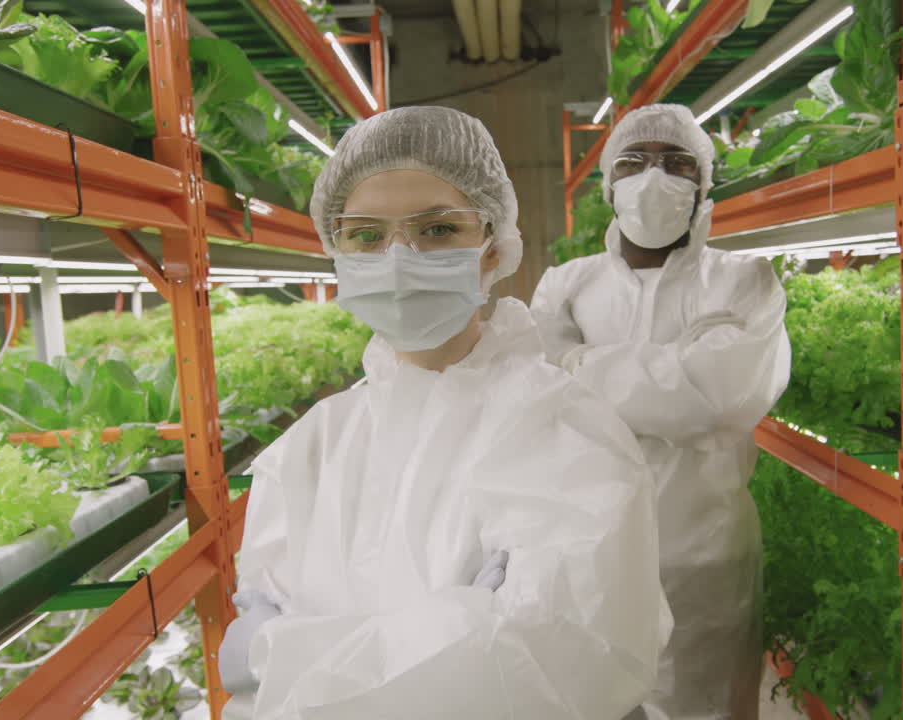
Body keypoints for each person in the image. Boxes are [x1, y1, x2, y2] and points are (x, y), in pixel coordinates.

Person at [219, 106, 670, 720]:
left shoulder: (566, 431)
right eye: (367, 236)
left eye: (435, 230)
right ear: (339, 253)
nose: (398, 259)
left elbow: (564, 669)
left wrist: (285, 653)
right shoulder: (310, 451)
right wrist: (460, 627)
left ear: (491, 249)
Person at [531, 104, 791, 720]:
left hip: (706, 554)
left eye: (676, 163)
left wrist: (578, 365)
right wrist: (676, 369)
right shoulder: (564, 284)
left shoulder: (745, 281)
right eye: (633, 162)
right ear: (609, 186)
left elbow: (720, 401)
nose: (654, 178)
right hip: (587, 552)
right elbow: (539, 400)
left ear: (702, 186)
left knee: (706, 708)